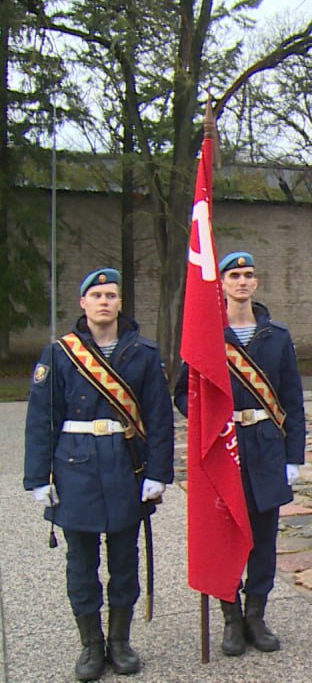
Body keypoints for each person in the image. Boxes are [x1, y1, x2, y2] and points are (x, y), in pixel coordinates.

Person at [24, 268, 174, 680]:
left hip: (127, 466)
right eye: (97, 295)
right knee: (81, 562)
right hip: (75, 467)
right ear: (83, 304)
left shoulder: (143, 352)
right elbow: (41, 420)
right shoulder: (60, 354)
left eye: (112, 295)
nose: (105, 301)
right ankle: (91, 646)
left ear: (120, 303)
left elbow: (159, 419)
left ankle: (121, 642)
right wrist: (39, 478)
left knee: (125, 558)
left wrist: (159, 473)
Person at [173, 252, 305, 656]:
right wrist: (208, 416)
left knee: (263, 539)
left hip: (265, 446)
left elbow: (292, 400)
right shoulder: (206, 335)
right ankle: (230, 618)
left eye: (249, 275)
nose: (242, 282)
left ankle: (256, 616)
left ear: (256, 283)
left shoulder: (277, 336)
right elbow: (182, 393)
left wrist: (293, 457)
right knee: (227, 536)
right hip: (225, 449)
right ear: (222, 284)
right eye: (234, 275)